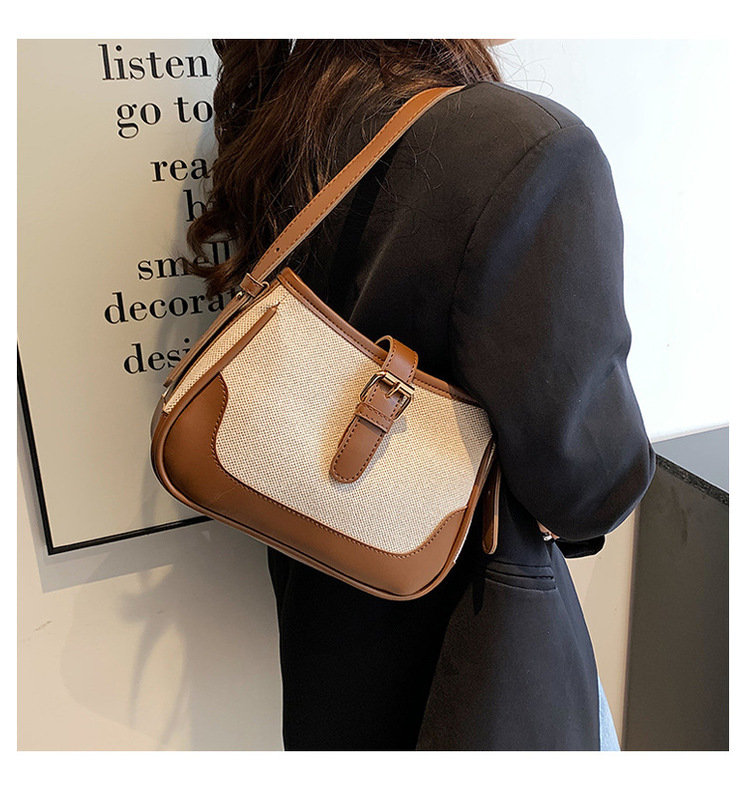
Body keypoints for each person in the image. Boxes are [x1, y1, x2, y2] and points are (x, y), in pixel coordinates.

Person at [185, 39, 656, 751]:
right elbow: (587, 483)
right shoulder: (527, 145)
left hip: (326, 635)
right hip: (482, 653)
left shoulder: (285, 118)